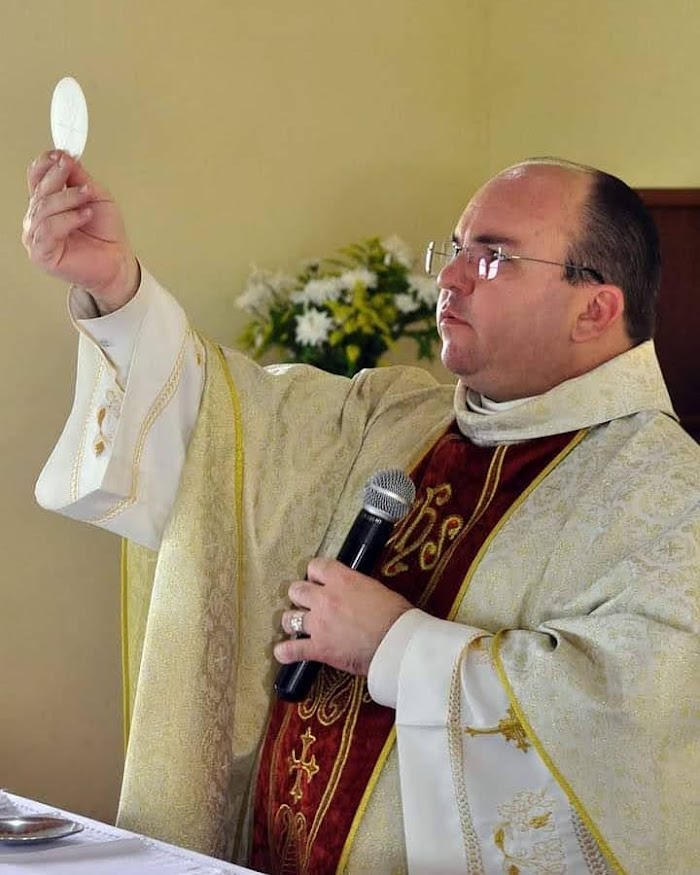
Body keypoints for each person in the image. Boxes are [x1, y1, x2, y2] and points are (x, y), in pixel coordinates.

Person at [23, 151, 699, 875]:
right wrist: (116, 289)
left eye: (494, 257)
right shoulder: (393, 414)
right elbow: (220, 427)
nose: (448, 276)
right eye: (457, 248)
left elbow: (632, 724)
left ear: (595, 306)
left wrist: (396, 648)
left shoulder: (666, 495)